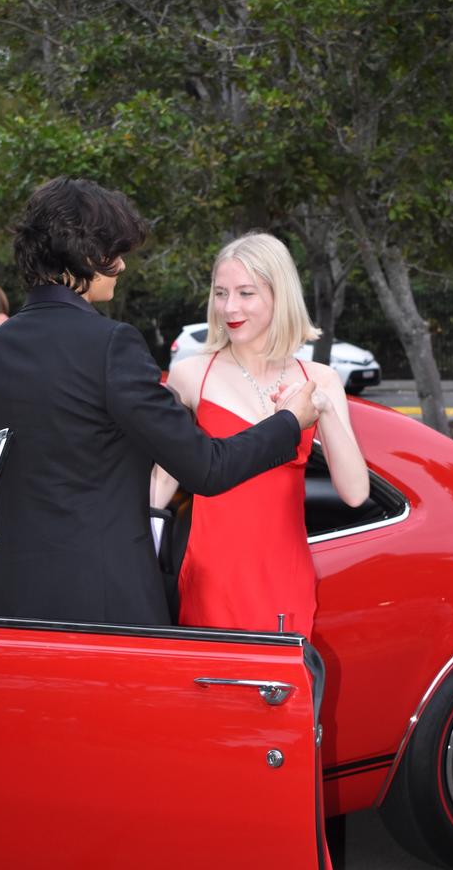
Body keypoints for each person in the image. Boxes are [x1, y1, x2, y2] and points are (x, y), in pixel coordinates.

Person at [0, 177, 318, 627]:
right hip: (109, 605)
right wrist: (290, 421)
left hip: (12, 604)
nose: (122, 267)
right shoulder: (110, 346)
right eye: (116, 252)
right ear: (89, 256)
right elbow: (206, 468)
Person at [152, 232, 369, 637]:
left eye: (245, 293)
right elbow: (162, 482)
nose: (229, 307)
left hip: (284, 581)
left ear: (279, 295)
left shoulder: (319, 379)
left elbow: (355, 492)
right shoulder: (191, 375)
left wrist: (321, 409)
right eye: (220, 293)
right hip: (210, 580)